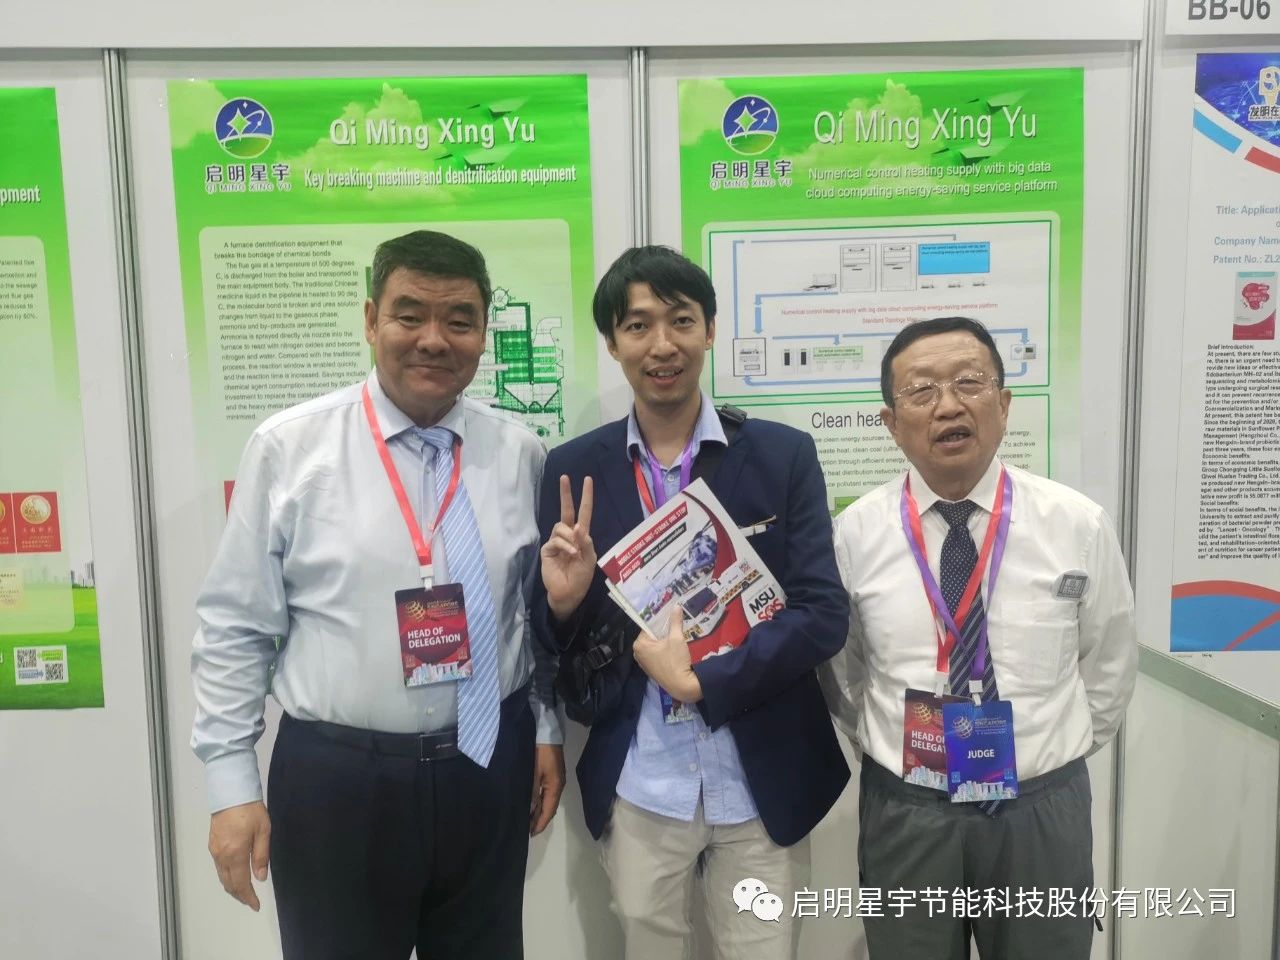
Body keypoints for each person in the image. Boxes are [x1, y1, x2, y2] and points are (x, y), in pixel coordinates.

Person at [191, 230, 565, 960]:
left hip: (487, 767)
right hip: (339, 781)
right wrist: (231, 785)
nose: (434, 339)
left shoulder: (519, 453)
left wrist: (545, 729)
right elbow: (237, 625)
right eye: (409, 314)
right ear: (370, 320)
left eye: (458, 320)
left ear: (484, 333)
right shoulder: (290, 449)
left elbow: (531, 614)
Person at [534, 245, 850, 959]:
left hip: (760, 777)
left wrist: (704, 679)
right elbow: (552, 643)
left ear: (710, 330)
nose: (662, 344)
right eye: (637, 325)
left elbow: (822, 614)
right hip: (643, 777)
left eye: (680, 320)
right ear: (612, 343)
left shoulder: (781, 455)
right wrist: (566, 605)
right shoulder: (573, 468)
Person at [820, 316, 1137, 959]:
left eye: (969, 382)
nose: (948, 406)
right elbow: (844, 674)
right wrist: (893, 748)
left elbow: (1109, 662)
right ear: (891, 423)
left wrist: (1045, 752)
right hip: (908, 811)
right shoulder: (855, 533)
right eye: (921, 391)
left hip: (1040, 810)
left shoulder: (1076, 524)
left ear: (1004, 403)